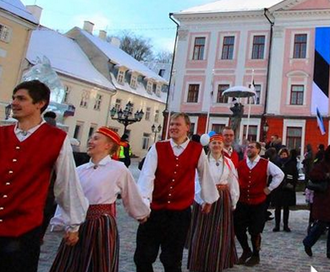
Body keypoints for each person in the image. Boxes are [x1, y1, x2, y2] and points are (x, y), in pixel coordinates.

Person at [0, 80, 88, 272]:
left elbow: (66, 182)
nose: (14, 102)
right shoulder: (2, 134)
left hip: (24, 230)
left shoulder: (56, 139)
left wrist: (73, 223)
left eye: (21, 99)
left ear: (40, 104)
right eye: (14, 98)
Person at [49, 126, 150, 272]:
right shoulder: (79, 170)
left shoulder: (118, 168)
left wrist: (141, 213)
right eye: (91, 138)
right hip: (78, 223)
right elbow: (67, 198)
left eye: (96, 138)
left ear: (108, 145)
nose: (90, 141)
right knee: (70, 264)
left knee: (99, 264)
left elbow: (131, 194)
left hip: (101, 225)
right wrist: (65, 225)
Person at [134, 113, 219, 272]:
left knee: (172, 259)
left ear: (187, 127)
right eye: (171, 124)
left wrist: (208, 199)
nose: (173, 127)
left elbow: (204, 175)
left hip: (180, 213)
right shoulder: (158, 147)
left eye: (177, 124)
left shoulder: (196, 150)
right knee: (143, 256)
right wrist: (143, 205)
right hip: (155, 210)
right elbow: (147, 176)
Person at [188, 133, 239, 272]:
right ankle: (199, 263)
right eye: (214, 143)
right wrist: (202, 200)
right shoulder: (202, 161)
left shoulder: (228, 162)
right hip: (205, 197)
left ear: (223, 146)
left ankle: (217, 263)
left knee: (219, 233)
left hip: (222, 198)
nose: (216, 146)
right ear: (209, 145)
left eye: (219, 143)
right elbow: (196, 181)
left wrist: (233, 200)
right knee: (202, 232)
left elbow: (232, 182)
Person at [234, 141, 284, 266]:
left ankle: (256, 255)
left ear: (258, 150)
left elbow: (280, 174)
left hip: (258, 202)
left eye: (251, 147)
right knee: (238, 228)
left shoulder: (265, 164)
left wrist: (270, 188)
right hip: (243, 201)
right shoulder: (240, 164)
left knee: (255, 230)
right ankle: (246, 250)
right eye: (248, 147)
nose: (249, 149)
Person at [272, 148, 298, 232]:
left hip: (288, 189)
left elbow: (295, 175)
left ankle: (286, 225)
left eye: (285, 154)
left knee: (286, 208)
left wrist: (293, 184)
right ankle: (277, 225)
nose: (284, 156)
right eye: (282, 154)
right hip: (278, 188)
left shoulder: (291, 164)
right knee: (277, 208)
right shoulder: (276, 163)